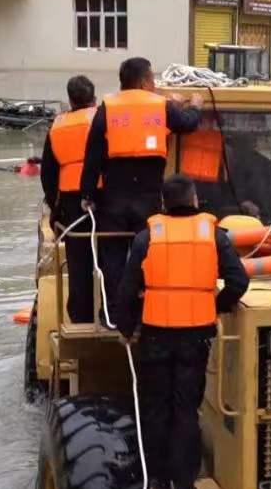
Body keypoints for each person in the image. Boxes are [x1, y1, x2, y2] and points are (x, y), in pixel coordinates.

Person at [115, 175, 249, 489]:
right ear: (193, 200)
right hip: (195, 335)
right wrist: (214, 305)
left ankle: (157, 481)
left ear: (162, 203)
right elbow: (238, 280)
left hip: (156, 335)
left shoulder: (147, 237)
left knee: (156, 408)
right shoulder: (213, 236)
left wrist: (125, 327)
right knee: (186, 410)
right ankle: (185, 487)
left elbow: (127, 287)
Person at [79, 57, 204, 326]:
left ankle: (112, 315)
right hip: (148, 199)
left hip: (113, 199)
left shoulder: (107, 108)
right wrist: (194, 105)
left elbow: (92, 157)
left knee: (112, 257)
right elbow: (188, 124)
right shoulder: (161, 106)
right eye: (152, 79)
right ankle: (143, 310)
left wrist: (87, 195)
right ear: (145, 81)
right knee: (147, 255)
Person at [40, 75, 99, 323]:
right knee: (111, 258)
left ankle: (81, 317)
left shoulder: (57, 126)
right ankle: (111, 314)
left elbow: (48, 174)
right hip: (104, 200)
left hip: (73, 207)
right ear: (94, 97)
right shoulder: (103, 119)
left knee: (79, 263)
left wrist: (55, 209)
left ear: (70, 100)